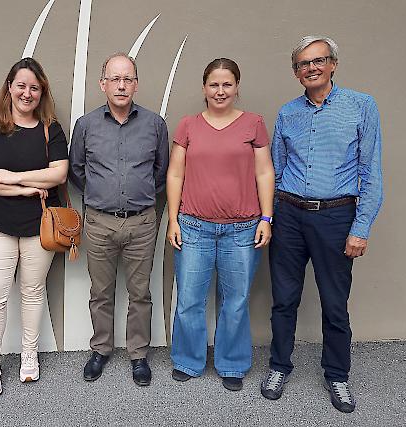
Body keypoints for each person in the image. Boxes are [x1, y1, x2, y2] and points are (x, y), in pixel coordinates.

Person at [261, 36, 383, 413]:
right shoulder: (287, 113)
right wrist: (271, 217)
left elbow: (371, 172)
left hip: (336, 216)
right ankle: (279, 366)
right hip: (290, 216)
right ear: (296, 73)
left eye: (318, 61)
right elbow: (276, 171)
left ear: (333, 64)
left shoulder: (361, 106)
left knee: (334, 303)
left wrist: (360, 227)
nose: (311, 68)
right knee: (284, 299)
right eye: (303, 64)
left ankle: (337, 375)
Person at [166, 58, 274, 391]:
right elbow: (175, 173)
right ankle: (188, 359)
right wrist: (173, 220)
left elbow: (264, 172)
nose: (220, 90)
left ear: (237, 87)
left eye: (227, 84)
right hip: (194, 227)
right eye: (214, 84)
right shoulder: (188, 125)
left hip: (242, 229)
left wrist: (267, 218)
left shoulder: (253, 124)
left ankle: (232, 364)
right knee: (189, 300)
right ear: (204, 88)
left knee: (236, 300)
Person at [0, 58, 68, 397]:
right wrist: (25, 189)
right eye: (21, 85)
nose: (27, 93)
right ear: (9, 87)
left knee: (32, 291)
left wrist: (13, 176)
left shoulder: (50, 129)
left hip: (39, 227)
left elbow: (58, 174)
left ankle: (29, 356)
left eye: (34, 88)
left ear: (42, 93)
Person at [69, 53, 169, 386]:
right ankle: (101, 349)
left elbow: (161, 173)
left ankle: (138, 355)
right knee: (101, 292)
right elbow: (77, 170)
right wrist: (103, 196)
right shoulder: (86, 125)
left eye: (128, 79)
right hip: (98, 223)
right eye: (115, 79)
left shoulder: (155, 125)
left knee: (140, 293)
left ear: (136, 84)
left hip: (142, 223)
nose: (122, 85)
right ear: (103, 84)